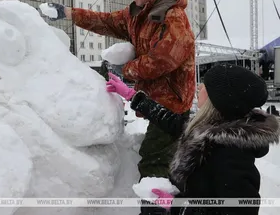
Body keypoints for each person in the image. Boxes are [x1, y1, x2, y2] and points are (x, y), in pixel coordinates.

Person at [42, 0, 195, 185]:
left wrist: (124, 70)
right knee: (160, 162)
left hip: (171, 105)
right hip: (155, 101)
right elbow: (105, 21)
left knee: (155, 165)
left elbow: (163, 59)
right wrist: (67, 13)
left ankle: (157, 208)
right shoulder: (138, 15)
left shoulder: (172, 17)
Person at [106, 63, 280, 215]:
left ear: (218, 101)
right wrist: (132, 95)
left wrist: (177, 207)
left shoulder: (231, 155)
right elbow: (172, 121)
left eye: (206, 85)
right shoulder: (211, 129)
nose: (199, 86)